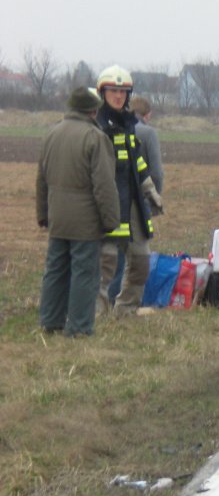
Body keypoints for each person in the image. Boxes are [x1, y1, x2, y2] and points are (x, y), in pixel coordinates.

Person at [36, 87, 120, 337]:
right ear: (93, 111)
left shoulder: (51, 134)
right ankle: (79, 327)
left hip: (58, 217)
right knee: (85, 273)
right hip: (85, 221)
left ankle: (50, 321)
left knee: (55, 270)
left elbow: (41, 180)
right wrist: (111, 220)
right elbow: (104, 184)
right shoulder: (95, 138)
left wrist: (43, 214)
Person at [94, 65, 164, 317]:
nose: (118, 96)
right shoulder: (96, 126)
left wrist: (150, 190)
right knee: (106, 262)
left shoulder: (128, 124)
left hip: (132, 199)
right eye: (113, 91)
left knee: (141, 260)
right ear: (103, 93)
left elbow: (137, 163)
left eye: (123, 91)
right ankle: (96, 314)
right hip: (108, 201)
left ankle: (126, 310)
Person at [109, 95, 164, 304]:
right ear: (147, 115)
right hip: (138, 201)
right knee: (136, 256)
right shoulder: (148, 133)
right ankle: (122, 302)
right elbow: (156, 172)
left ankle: (106, 300)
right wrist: (155, 199)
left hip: (114, 200)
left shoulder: (111, 129)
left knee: (113, 254)